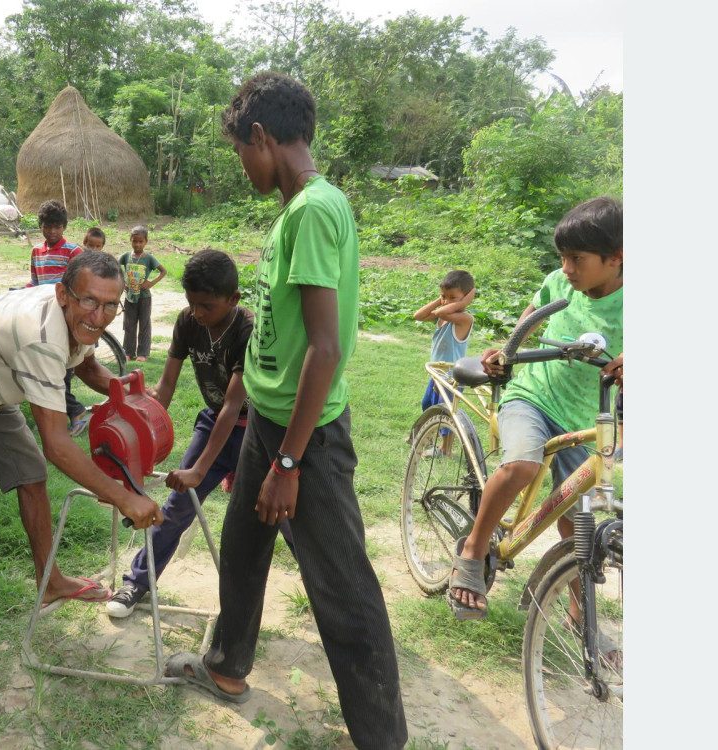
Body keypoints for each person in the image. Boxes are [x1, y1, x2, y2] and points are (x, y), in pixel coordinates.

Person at [162, 72, 407, 750]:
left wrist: (291, 462)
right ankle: (228, 667)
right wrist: (248, 439)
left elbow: (325, 349)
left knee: (342, 590)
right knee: (242, 552)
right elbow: (277, 339)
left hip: (309, 438)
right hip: (266, 424)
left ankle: (383, 739)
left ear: (262, 137)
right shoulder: (296, 211)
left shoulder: (315, 210)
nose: (242, 164)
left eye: (241, 149)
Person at [0, 251, 164, 644]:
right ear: (63, 294)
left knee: (31, 476)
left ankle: (51, 581)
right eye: (90, 302)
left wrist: (125, 394)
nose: (99, 316)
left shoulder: (75, 318)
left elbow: (84, 365)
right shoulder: (40, 336)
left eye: (111, 305)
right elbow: (58, 446)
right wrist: (124, 498)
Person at [449, 197, 623, 632]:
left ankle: (582, 618)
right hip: (532, 397)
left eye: (576, 259)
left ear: (616, 258)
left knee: (577, 517)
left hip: (586, 418)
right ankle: (472, 551)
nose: (566, 267)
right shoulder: (559, 285)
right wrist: (505, 352)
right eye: (562, 257)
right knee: (523, 464)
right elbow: (528, 320)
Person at [106, 249, 295, 618]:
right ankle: (137, 582)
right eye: (192, 303)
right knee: (178, 508)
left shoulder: (248, 329)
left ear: (234, 299)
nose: (198, 313)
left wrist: (199, 469)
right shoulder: (187, 322)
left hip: (257, 430)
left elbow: (232, 403)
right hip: (212, 423)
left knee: (284, 515)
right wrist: (137, 424)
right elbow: (165, 389)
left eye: (207, 306)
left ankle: (328, 599)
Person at [26, 200, 90, 435]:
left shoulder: (74, 252)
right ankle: (54, 416)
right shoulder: (36, 252)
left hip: (65, 320)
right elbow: (35, 282)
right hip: (42, 319)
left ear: (64, 227)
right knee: (44, 369)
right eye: (47, 226)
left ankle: (75, 411)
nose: (52, 231)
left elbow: (80, 286)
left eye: (57, 226)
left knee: (59, 371)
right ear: (40, 226)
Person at [412, 270, 476, 456]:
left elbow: (441, 311)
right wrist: (443, 300)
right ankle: (431, 437)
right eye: (443, 297)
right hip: (438, 374)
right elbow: (418, 315)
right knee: (429, 405)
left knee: (447, 412)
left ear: (467, 297)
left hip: (452, 376)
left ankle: (445, 449)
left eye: (453, 298)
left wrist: (462, 304)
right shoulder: (444, 315)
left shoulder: (464, 318)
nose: (447, 301)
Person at [118, 226, 166, 361]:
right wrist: (123, 282)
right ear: (130, 240)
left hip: (144, 297)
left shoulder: (149, 258)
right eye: (134, 241)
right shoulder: (126, 256)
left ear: (146, 242)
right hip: (129, 297)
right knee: (129, 324)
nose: (137, 244)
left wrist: (151, 283)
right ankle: (128, 352)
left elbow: (163, 271)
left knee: (144, 324)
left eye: (141, 241)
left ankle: (142, 354)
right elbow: (115, 268)